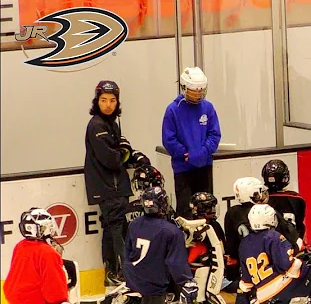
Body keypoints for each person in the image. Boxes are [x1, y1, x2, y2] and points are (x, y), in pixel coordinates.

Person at [92, 187, 198, 304]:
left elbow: (128, 251)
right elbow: (176, 263)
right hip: (151, 283)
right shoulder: (171, 231)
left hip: (132, 276)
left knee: (159, 269)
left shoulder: (134, 224)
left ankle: (128, 301)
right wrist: (187, 282)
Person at [84, 80, 150, 286]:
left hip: (113, 187)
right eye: (104, 100)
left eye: (112, 100)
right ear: (97, 101)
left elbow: (119, 152)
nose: (108, 104)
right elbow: (112, 159)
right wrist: (125, 151)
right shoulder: (97, 125)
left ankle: (112, 272)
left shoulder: (111, 124)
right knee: (118, 229)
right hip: (108, 188)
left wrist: (134, 156)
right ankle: (124, 273)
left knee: (113, 229)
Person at [3, 208, 83, 304]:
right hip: (32, 300)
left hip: (16, 296)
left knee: (69, 268)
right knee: (67, 296)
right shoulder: (47, 253)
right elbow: (54, 291)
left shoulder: (20, 246)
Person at [162, 67, 222, 218]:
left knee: (207, 209)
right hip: (183, 169)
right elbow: (169, 139)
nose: (198, 93)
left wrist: (202, 152)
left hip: (205, 167)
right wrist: (185, 154)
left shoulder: (208, 108)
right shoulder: (173, 110)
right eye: (195, 90)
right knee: (185, 211)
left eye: (201, 89)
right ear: (184, 88)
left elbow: (214, 134)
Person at [224, 177, 300, 283]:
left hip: (249, 270)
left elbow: (231, 248)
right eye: (258, 193)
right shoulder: (266, 210)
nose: (263, 195)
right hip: (273, 270)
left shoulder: (231, 213)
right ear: (250, 195)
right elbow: (291, 236)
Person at [263, 159, 307, 241]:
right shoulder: (297, 199)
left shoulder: (261, 200)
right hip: (293, 244)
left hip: (270, 245)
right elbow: (300, 225)